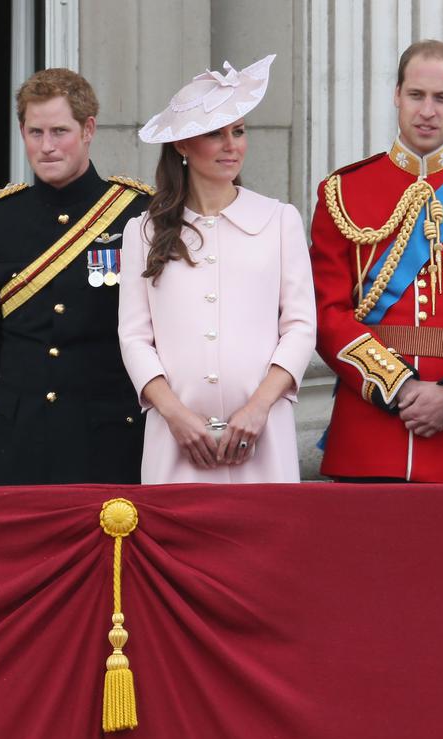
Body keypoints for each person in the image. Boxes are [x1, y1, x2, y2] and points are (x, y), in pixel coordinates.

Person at [118, 55, 317, 483]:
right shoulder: (143, 231)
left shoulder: (279, 219)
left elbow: (300, 327)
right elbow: (134, 337)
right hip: (176, 440)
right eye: (215, 133)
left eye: (239, 131)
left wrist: (258, 408)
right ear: (182, 145)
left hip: (263, 435)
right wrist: (175, 416)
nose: (232, 145)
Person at [311, 40, 443, 483]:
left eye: (442, 98)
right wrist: (399, 386)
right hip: (368, 434)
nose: (427, 111)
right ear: (397, 94)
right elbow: (324, 312)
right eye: (416, 95)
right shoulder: (343, 191)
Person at [0, 68, 153, 484]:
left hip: (109, 433)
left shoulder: (137, 214)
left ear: (88, 129)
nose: (46, 147)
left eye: (59, 131)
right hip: (19, 436)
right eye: (35, 132)